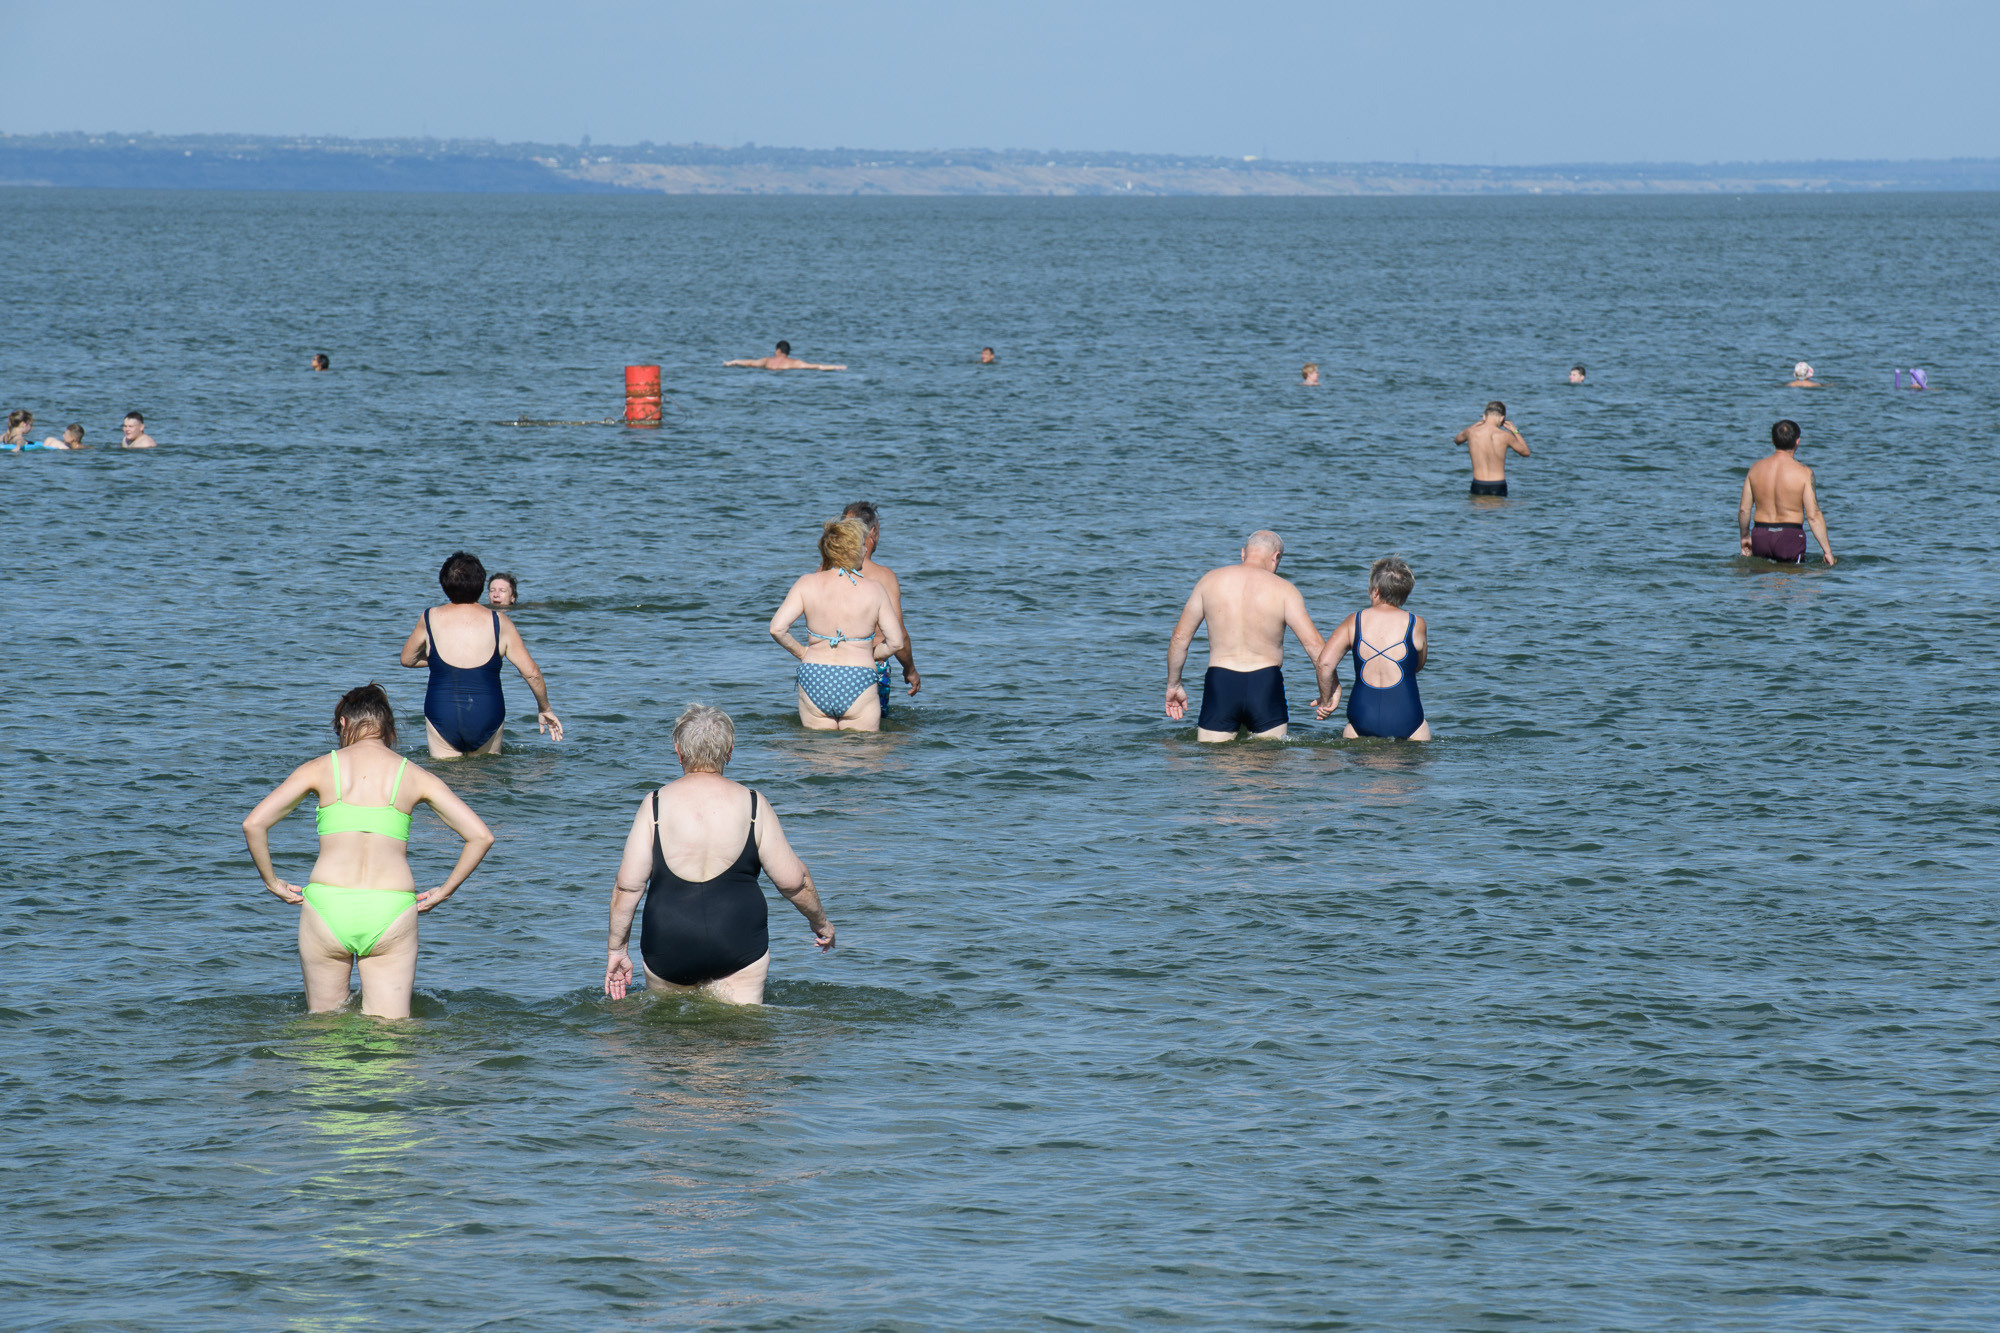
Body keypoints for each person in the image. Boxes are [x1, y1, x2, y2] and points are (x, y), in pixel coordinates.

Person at [241, 684, 494, 1019]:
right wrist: (443, 893)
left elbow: (254, 824)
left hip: (327, 906)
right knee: (393, 1039)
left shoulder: (318, 768)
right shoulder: (415, 776)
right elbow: (481, 837)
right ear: (389, 728)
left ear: (343, 724)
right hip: (390, 908)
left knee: (322, 1033)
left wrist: (272, 882)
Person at [603, 704, 834, 1006]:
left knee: (669, 1039)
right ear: (730, 751)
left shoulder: (655, 805)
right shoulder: (753, 804)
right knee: (740, 1039)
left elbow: (627, 887)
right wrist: (821, 924)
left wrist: (617, 951)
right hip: (738, 939)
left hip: (669, 941)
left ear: (678, 751)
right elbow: (795, 882)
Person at [1165, 530, 1327, 742]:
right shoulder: (1285, 590)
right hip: (1265, 683)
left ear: (1243, 554)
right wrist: (1329, 690)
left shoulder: (1209, 582)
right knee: (1265, 767)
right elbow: (1314, 645)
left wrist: (1174, 685)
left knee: (1216, 767)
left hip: (1220, 682)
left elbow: (1179, 639)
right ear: (1275, 556)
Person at [399, 551, 564, 757]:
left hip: (442, 712)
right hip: (487, 712)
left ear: (444, 585)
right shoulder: (500, 622)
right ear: (481, 585)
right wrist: (545, 708)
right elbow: (531, 672)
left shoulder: (429, 617)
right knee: (486, 781)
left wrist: (438, 661)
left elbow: (407, 659)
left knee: (445, 781)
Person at [768, 519, 905, 731]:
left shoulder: (807, 582)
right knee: (864, 756)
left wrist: (804, 653)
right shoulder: (875, 589)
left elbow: (777, 629)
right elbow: (896, 642)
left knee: (818, 757)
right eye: (861, 545)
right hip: (858, 677)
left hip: (814, 676)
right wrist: (871, 655)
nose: (864, 549)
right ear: (851, 549)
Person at [1313, 558, 1431, 741]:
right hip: (1408, 719)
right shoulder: (1417, 624)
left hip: (1361, 718)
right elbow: (1418, 665)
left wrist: (1327, 699)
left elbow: (1324, 664)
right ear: (1405, 594)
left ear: (1375, 591)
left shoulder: (1354, 621)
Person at [841, 500, 920, 710]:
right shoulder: (884, 577)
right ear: (872, 532)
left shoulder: (823, 571)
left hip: (825, 667)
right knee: (875, 739)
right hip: (868, 669)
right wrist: (910, 669)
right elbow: (898, 635)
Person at [1738, 419, 1835, 566]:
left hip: (1761, 535)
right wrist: (1827, 551)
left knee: (1761, 584)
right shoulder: (1804, 473)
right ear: (1797, 442)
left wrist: (1745, 536)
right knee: (1790, 581)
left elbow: (1744, 510)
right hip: (1789, 537)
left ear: (1772, 440)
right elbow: (1813, 516)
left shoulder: (1755, 469)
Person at [1453, 401, 1529, 497]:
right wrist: (1515, 430)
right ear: (1502, 418)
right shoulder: (1505, 436)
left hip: (1478, 484)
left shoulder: (1471, 432)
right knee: (1497, 511)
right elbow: (1526, 452)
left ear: (1484, 416)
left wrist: (1474, 426)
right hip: (1498, 485)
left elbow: (1457, 440)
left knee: (1478, 511)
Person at [724, 339, 845, 371]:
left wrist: (733, 361)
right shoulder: (795, 363)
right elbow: (817, 366)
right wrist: (835, 367)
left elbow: (749, 362)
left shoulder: (766, 361)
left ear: (777, 350)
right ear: (788, 352)